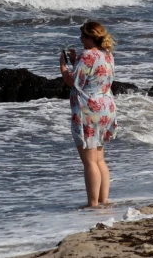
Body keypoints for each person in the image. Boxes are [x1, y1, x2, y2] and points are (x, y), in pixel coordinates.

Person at [60, 21, 118, 208]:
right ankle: (103, 200)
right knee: (99, 158)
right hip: (106, 105)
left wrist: (63, 66)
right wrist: (76, 60)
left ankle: (92, 204)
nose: (80, 40)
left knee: (89, 161)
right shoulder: (107, 54)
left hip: (88, 108)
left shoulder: (86, 55)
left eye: (82, 37)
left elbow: (73, 81)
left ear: (89, 37)